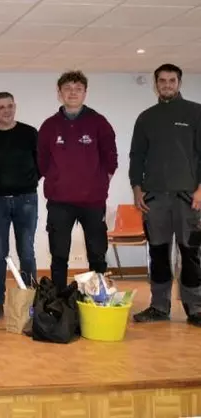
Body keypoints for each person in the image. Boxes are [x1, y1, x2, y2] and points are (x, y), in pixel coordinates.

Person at [130, 63, 201, 327]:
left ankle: (195, 308)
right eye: (162, 81)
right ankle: (159, 306)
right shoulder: (146, 118)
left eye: (172, 80)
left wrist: (200, 190)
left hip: (189, 199)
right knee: (158, 253)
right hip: (155, 199)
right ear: (156, 84)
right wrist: (137, 189)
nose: (167, 85)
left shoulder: (195, 113)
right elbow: (136, 156)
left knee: (191, 253)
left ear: (179, 83)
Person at [38, 70, 117, 292]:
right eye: (68, 89)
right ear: (59, 93)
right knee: (59, 253)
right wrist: (56, 179)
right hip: (59, 201)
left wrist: (99, 183)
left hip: (92, 201)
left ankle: (98, 297)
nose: (73, 93)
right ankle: (59, 301)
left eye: (78, 89)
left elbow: (111, 160)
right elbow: (42, 160)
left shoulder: (99, 123)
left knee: (97, 253)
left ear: (85, 93)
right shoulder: (49, 126)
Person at [0, 92, 39, 319]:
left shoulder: (30, 133)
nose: (6, 111)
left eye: (10, 106)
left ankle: (31, 300)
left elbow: (41, 164)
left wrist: (26, 182)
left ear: (15, 107)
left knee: (27, 252)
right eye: (1, 107)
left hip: (27, 200)